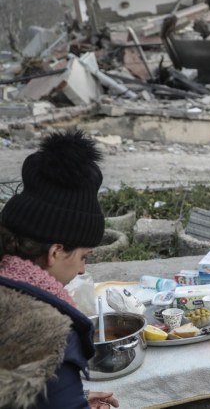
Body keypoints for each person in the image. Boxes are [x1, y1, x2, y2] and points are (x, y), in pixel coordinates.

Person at [0, 130, 120, 409]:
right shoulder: (49, 332)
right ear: (55, 252)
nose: (81, 270)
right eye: (83, 256)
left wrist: (66, 397)